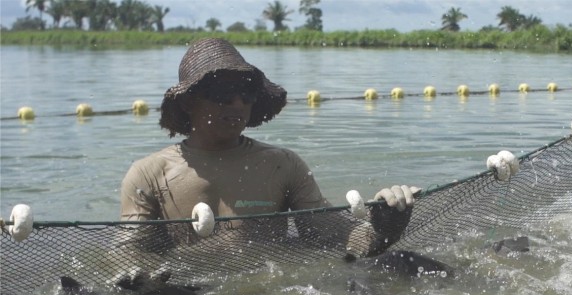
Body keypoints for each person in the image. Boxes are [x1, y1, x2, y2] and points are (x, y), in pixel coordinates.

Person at [119, 37, 418, 257]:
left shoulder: (282, 165)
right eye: (223, 92)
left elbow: (341, 241)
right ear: (188, 101)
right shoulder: (149, 174)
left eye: (247, 93)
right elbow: (127, 255)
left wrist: (384, 228)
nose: (237, 104)